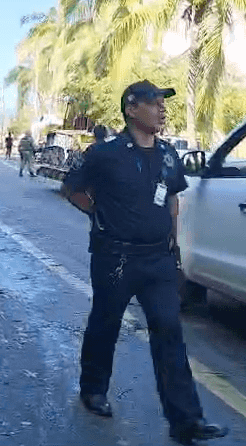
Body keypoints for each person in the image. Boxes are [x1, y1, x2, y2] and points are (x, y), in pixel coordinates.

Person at [61, 80, 228, 445]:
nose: (163, 109)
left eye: (164, 103)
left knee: (169, 333)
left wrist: (175, 244)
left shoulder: (169, 154)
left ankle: (186, 421)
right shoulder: (105, 154)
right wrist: (99, 216)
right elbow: (72, 189)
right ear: (132, 109)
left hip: (158, 259)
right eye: (155, 103)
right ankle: (93, 389)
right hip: (115, 258)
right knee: (105, 324)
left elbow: (172, 199)